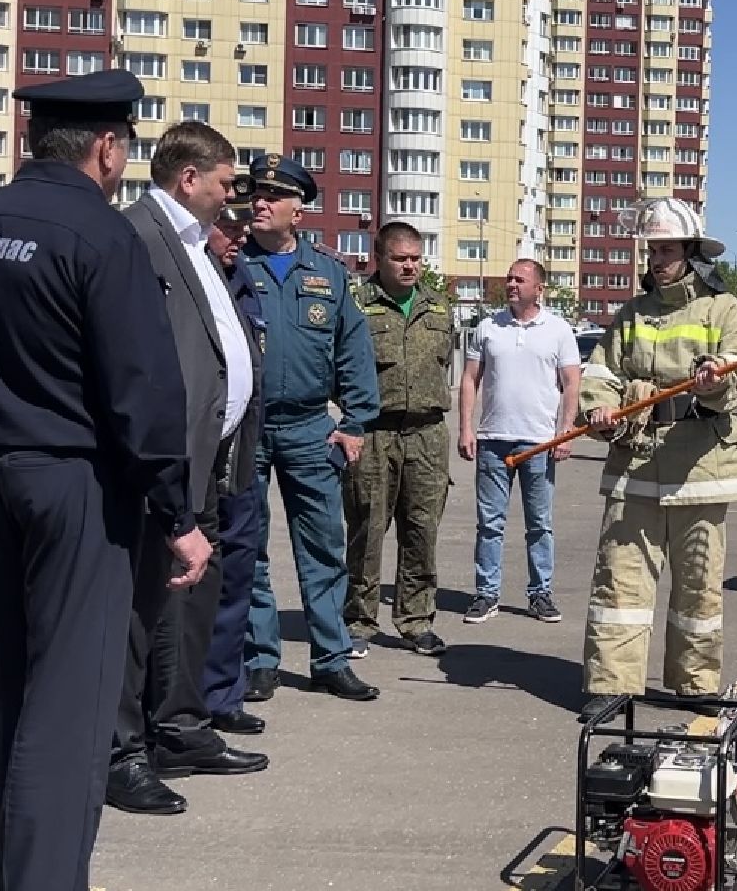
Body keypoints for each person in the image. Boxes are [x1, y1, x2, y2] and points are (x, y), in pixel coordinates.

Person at [0, 70, 208, 891]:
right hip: (74, 480)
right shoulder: (101, 235)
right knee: (72, 703)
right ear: (107, 148)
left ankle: (11, 867)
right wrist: (177, 513)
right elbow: (142, 390)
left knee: (12, 682)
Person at [107, 122, 267, 816]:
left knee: (192, 597)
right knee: (140, 607)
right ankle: (122, 750)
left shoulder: (198, 242)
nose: (233, 197)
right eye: (226, 183)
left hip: (207, 459)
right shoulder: (138, 237)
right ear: (189, 177)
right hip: (159, 461)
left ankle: (180, 727)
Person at [578, 200, 737, 719]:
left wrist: (717, 378)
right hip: (635, 461)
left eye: (667, 250)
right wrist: (598, 409)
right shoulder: (631, 314)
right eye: (653, 251)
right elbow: (600, 373)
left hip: (702, 465)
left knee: (699, 582)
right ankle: (612, 684)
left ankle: (695, 682)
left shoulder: (725, 310)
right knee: (620, 580)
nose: (657, 260)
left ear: (692, 253)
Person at [239, 154, 382, 704]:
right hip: (246, 427)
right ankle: (260, 660)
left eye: (274, 196)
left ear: (297, 212)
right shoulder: (230, 263)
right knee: (247, 544)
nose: (260, 202)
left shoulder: (327, 273)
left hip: (308, 427)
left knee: (323, 545)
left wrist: (355, 422)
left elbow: (353, 351)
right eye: (257, 192)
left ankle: (331, 659)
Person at [344, 222, 456, 655]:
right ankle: (359, 621)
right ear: (379, 258)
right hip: (375, 433)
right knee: (367, 529)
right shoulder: (357, 304)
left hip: (427, 434)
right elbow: (339, 366)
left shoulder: (438, 306)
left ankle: (416, 619)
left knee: (422, 531)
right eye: (400, 258)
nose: (410, 266)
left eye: (415, 258)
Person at [458, 258, 582, 625]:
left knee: (539, 524)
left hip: (539, 444)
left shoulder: (558, 330)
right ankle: (486, 594)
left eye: (520, 279)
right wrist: (466, 429)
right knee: (489, 523)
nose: (511, 284)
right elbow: (470, 380)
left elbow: (572, 383)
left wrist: (565, 431)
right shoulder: (488, 328)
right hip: (493, 440)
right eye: (509, 278)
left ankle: (540, 594)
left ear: (539, 288)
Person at [199, 201, 270, 736]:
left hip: (241, 449)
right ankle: (183, 702)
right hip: (196, 452)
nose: (239, 237)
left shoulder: (240, 275)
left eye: (243, 228)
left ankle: (222, 694)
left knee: (238, 569)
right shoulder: (184, 272)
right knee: (193, 578)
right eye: (227, 227)